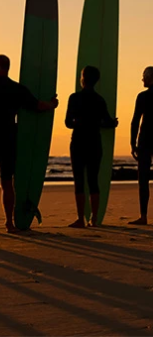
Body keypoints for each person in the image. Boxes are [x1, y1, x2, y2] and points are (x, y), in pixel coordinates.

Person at [0, 55, 58, 234]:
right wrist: (51, 104)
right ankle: (8, 224)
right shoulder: (16, 89)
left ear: (0, 67)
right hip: (8, 138)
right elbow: (37, 106)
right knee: (6, 182)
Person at [65, 66, 118, 228]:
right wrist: (112, 122)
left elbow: (68, 123)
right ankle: (94, 219)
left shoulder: (74, 98)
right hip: (94, 142)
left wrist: (79, 122)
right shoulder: (99, 100)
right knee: (93, 180)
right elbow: (109, 122)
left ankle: (80, 218)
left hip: (78, 142)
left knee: (79, 180)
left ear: (83, 79)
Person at [128, 66, 153, 225]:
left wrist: (132, 142)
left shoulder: (143, 96)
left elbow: (136, 120)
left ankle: (143, 216)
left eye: (144, 76)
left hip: (146, 139)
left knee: (143, 179)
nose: (142, 79)